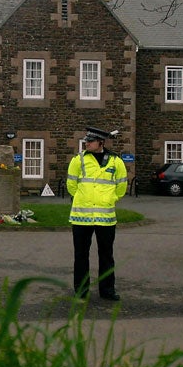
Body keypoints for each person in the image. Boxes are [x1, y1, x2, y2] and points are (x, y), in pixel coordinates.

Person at [66, 126, 128, 301]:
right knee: (81, 255)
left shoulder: (116, 162)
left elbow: (121, 186)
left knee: (106, 255)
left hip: (106, 218)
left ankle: (107, 291)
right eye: (86, 141)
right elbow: (71, 185)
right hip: (81, 217)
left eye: (90, 141)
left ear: (101, 142)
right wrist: (80, 196)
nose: (87, 143)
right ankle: (81, 291)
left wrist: (110, 199)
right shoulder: (78, 160)